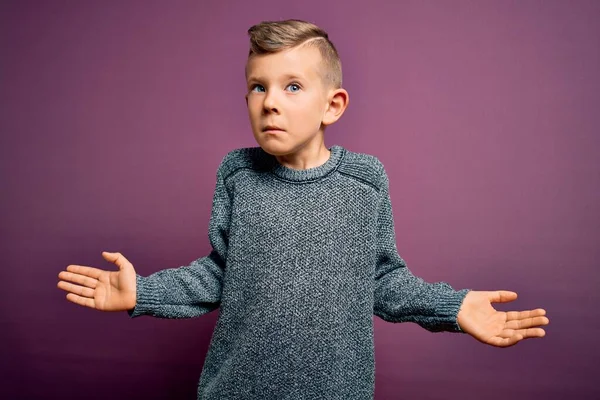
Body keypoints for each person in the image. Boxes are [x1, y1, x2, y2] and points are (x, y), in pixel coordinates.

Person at [57, 19, 549, 400]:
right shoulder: (238, 173)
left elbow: (380, 280)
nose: (270, 102)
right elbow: (218, 275)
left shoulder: (363, 181)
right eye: (258, 86)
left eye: (292, 86)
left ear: (331, 106)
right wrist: (142, 292)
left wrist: (453, 307)